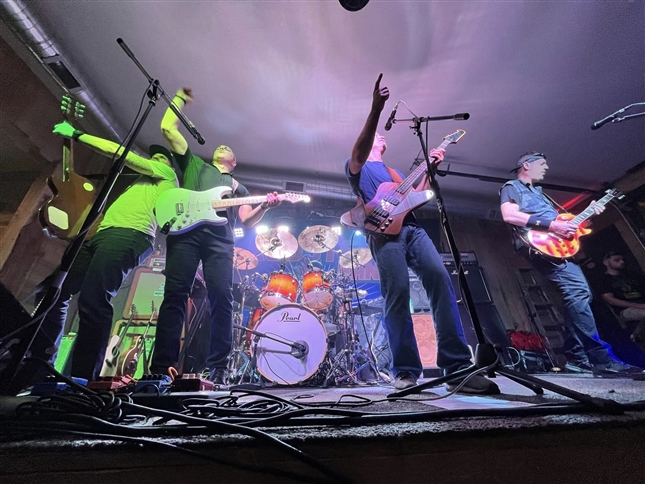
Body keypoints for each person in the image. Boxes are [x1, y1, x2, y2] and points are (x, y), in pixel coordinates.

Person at [344, 74, 499, 394]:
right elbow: (359, 152)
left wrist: (430, 170)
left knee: (441, 280)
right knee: (397, 293)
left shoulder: (395, 173)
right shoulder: (358, 166)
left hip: (412, 229)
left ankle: (457, 367)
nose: (380, 137)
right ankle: (404, 370)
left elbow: (417, 197)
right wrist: (376, 109)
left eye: (381, 137)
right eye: (376, 136)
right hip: (383, 234)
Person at [150, 88, 280, 385]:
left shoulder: (237, 187)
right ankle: (162, 367)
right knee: (175, 295)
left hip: (220, 242)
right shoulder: (195, 164)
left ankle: (218, 367)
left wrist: (265, 205)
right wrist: (179, 99)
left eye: (228, 148)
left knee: (222, 298)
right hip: (185, 234)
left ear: (233, 162)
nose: (222, 146)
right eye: (220, 146)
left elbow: (246, 219)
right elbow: (167, 128)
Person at [34, 121, 178, 381]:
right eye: (153, 157)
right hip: (101, 235)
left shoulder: (166, 175)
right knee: (52, 291)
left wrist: (77, 134)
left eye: (160, 158)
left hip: (129, 235)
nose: (154, 159)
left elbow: (123, 155)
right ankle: (41, 364)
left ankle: (82, 380)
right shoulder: (138, 186)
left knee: (94, 299)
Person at [499, 152, 643, 375]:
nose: (546, 168)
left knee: (580, 296)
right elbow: (509, 216)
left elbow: (568, 225)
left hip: (559, 248)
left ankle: (577, 357)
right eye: (542, 164)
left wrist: (588, 217)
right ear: (526, 165)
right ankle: (600, 359)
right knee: (578, 292)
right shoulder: (512, 187)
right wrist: (552, 226)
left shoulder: (541, 194)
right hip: (541, 246)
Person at [599, 251, 645, 348]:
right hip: (624, 310)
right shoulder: (604, 280)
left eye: (622, 259)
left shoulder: (633, 275)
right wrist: (638, 305)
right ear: (606, 262)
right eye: (617, 260)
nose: (622, 262)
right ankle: (636, 335)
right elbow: (610, 299)